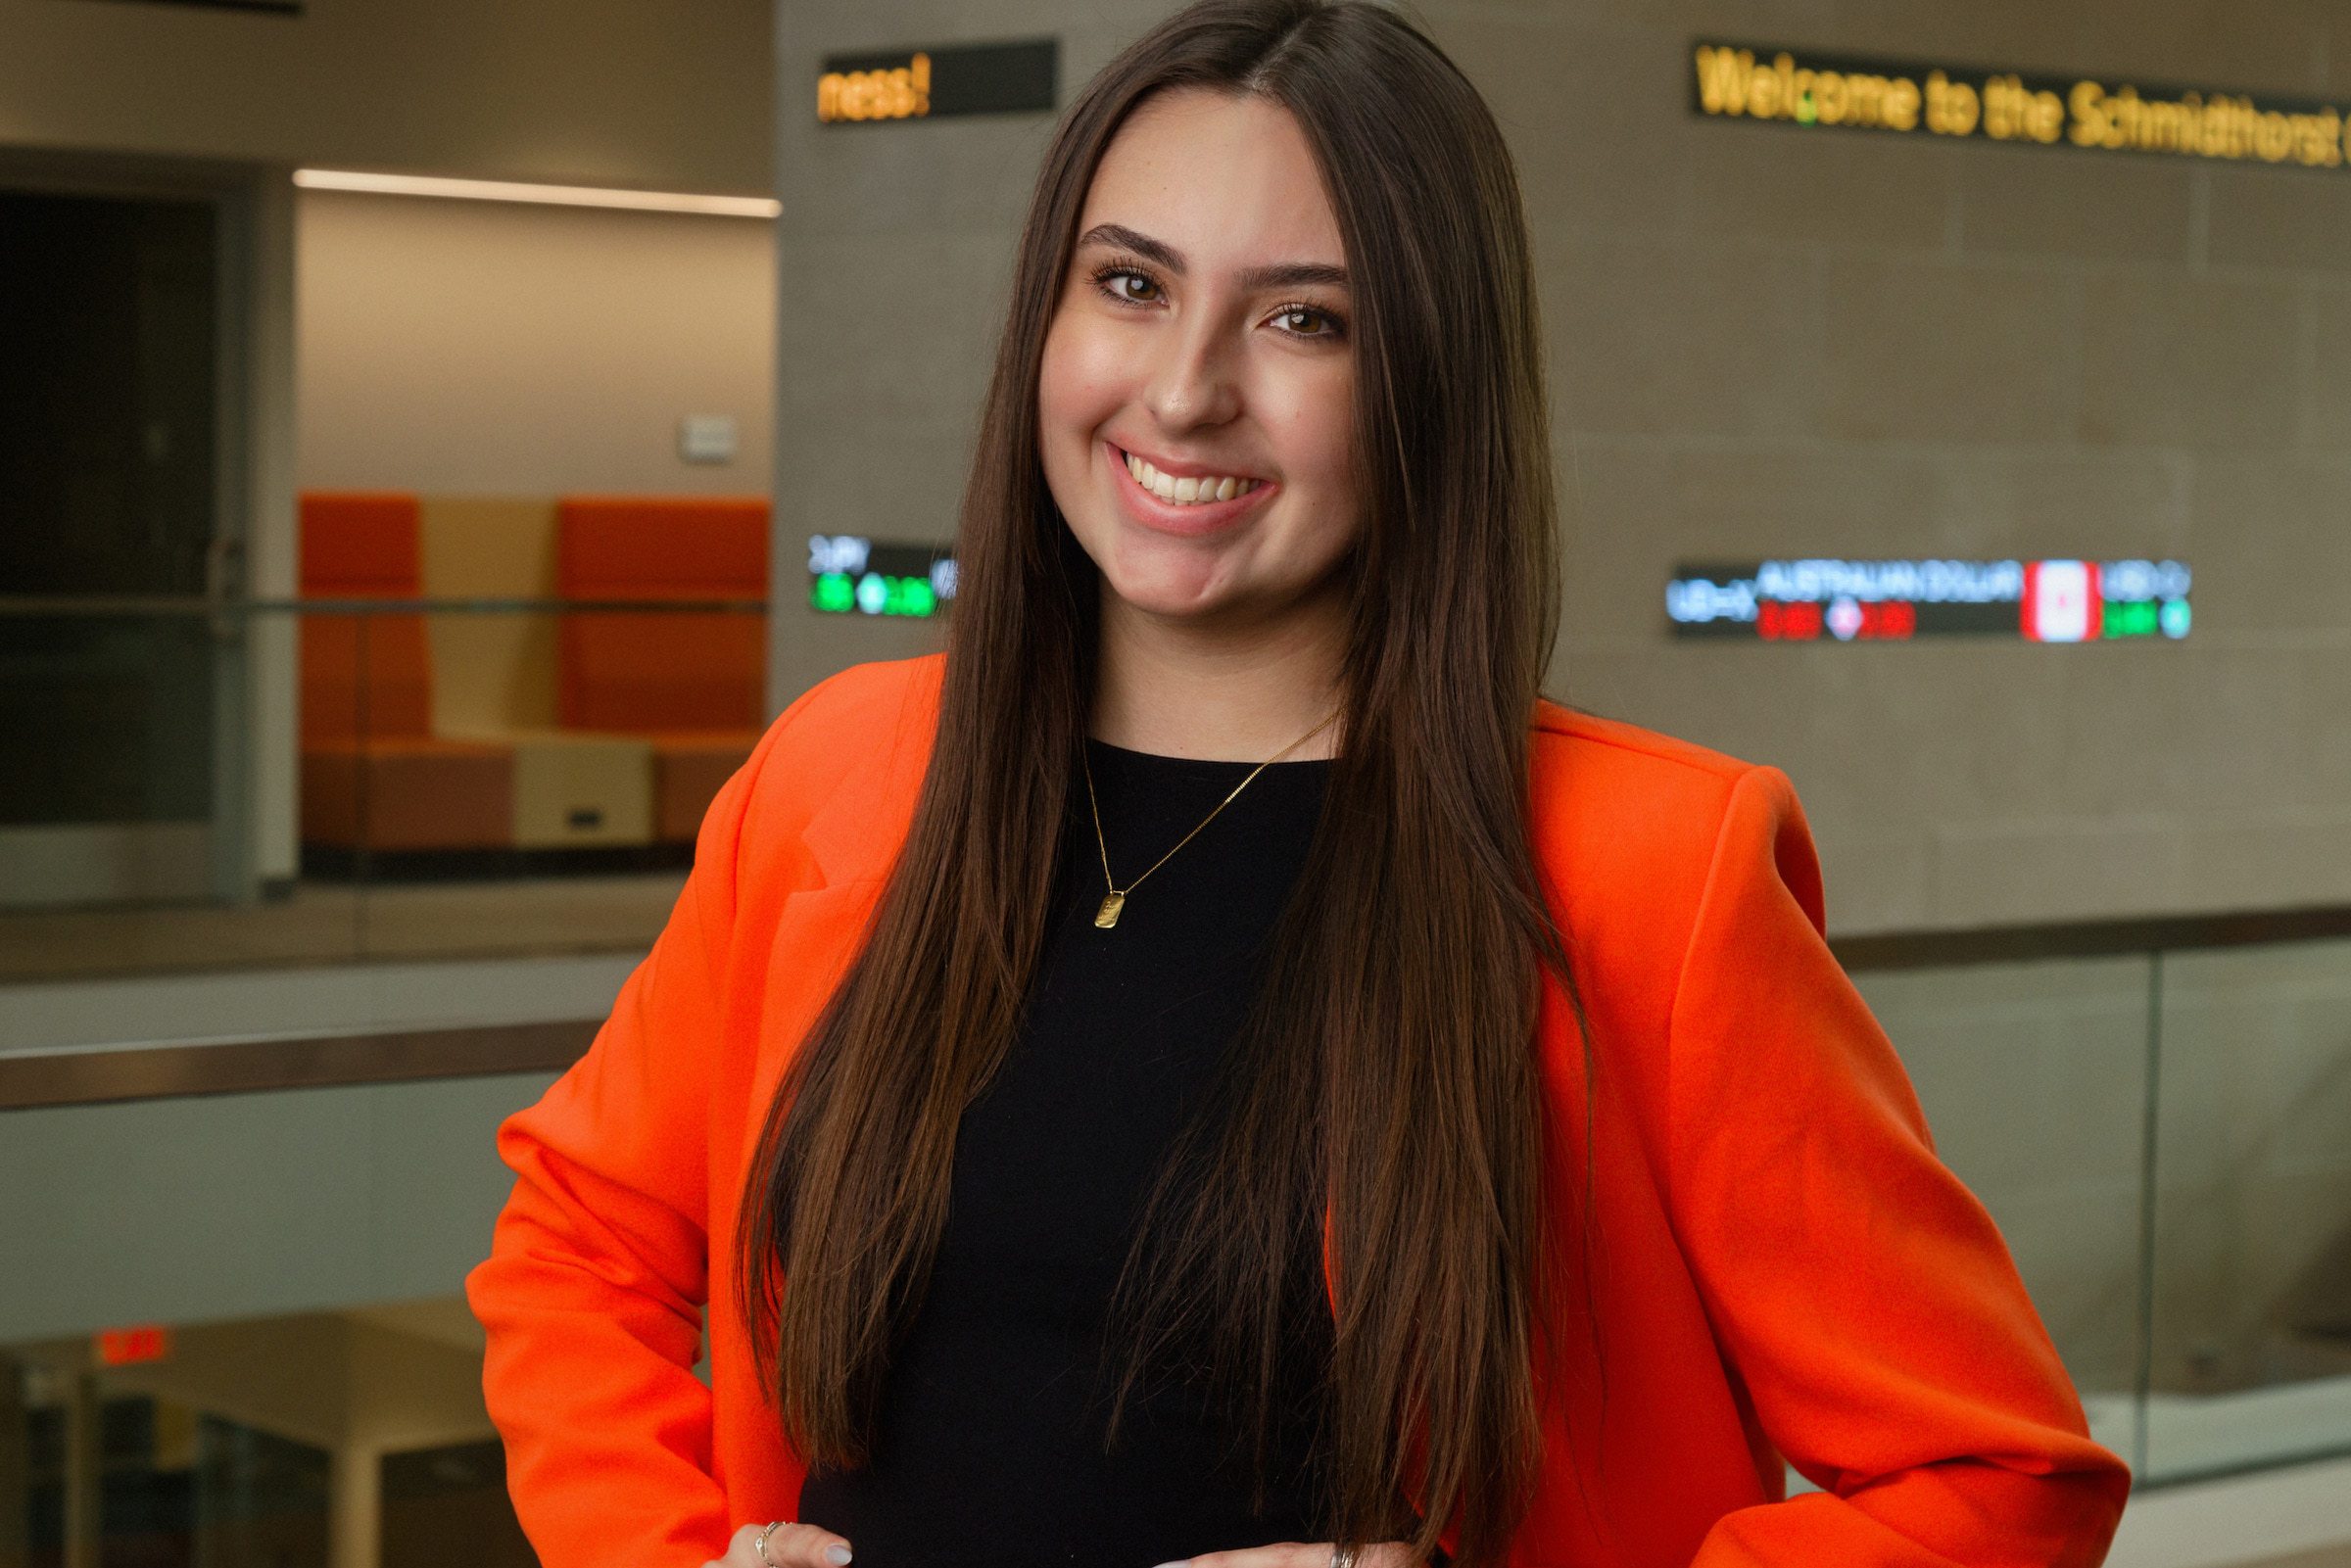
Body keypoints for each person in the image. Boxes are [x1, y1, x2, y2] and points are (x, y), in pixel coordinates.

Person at [464, 2, 2133, 1565]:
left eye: (1302, 319)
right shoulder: (837, 771)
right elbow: (574, 1247)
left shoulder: (1657, 871)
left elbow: (1998, 1480)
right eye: (1131, 284)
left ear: (1428, 380)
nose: (1185, 390)